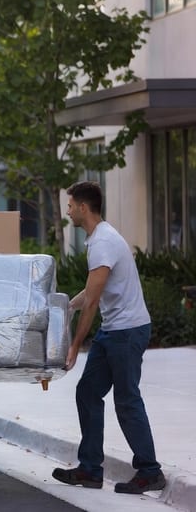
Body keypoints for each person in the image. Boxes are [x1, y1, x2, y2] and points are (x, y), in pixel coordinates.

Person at [52, 181, 166, 494]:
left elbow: (93, 301)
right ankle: (90, 470)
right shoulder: (99, 239)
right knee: (87, 392)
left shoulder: (102, 242)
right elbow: (89, 293)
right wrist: (67, 306)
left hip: (127, 332)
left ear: (84, 208)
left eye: (71, 204)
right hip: (114, 331)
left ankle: (150, 471)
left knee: (126, 400)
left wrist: (75, 345)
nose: (68, 210)